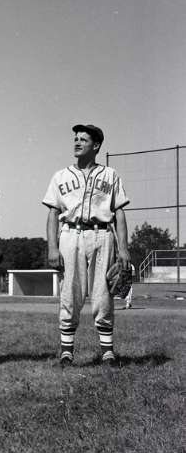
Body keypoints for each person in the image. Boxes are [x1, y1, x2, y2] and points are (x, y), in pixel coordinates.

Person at [43, 124, 131, 366]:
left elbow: (119, 213)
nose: (77, 142)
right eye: (76, 138)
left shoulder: (110, 175)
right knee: (69, 293)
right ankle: (66, 351)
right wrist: (52, 247)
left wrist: (124, 248)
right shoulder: (60, 176)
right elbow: (53, 213)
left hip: (102, 234)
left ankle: (107, 352)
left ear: (96, 145)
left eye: (83, 139)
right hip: (70, 234)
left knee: (103, 294)